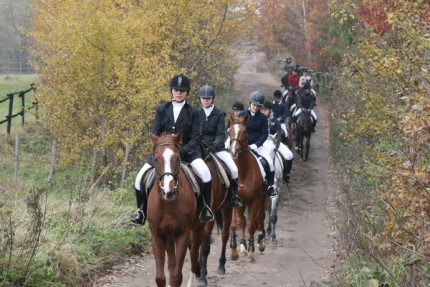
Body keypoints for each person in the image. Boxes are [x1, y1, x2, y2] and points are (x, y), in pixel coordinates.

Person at [131, 74, 214, 225]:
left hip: (187, 152)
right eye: (176, 89)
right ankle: (141, 211)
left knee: (205, 173)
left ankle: (205, 208)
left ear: (187, 92)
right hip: (163, 153)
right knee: (139, 178)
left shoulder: (194, 112)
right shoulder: (162, 109)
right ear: (171, 91)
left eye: (182, 90)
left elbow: (196, 137)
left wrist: (181, 152)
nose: (179, 92)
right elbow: (155, 132)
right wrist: (161, 151)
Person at [198, 86, 243, 208]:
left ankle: (234, 196)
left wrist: (213, 147)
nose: (206, 100)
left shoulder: (219, 114)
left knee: (234, 169)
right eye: (203, 98)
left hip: (216, 148)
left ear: (212, 99)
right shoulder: (196, 114)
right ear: (200, 99)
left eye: (208, 98)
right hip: (199, 148)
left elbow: (220, 135)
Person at [238, 91, 277, 197]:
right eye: (254, 104)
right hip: (241, 146)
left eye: (258, 106)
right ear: (250, 103)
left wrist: (256, 145)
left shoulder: (263, 118)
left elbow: (264, 134)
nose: (255, 107)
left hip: (256, 146)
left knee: (269, 162)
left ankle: (270, 186)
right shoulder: (242, 115)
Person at [261, 101, 293, 183]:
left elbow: (279, 136)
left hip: (273, 142)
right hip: (261, 143)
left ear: (270, 111)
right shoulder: (258, 121)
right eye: (262, 110)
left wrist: (277, 146)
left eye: (265, 110)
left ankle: (286, 174)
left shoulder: (275, 121)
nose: (263, 112)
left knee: (289, 155)